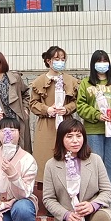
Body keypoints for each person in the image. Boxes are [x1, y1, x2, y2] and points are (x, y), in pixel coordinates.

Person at [43, 120, 111, 221]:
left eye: (79, 135)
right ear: (61, 139)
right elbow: (48, 199)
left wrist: (93, 205)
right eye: (69, 136)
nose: (75, 140)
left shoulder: (95, 160)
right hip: (70, 218)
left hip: (93, 213)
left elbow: (108, 191)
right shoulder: (51, 165)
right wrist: (66, 215)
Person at [76, 50, 111, 215]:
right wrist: (97, 115)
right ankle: (94, 199)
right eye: (99, 61)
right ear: (93, 64)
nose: (102, 64)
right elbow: (81, 106)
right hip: (93, 130)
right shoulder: (86, 83)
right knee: (93, 166)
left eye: (105, 61)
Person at [30, 45, 79, 183]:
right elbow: (33, 103)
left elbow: (77, 102)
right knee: (46, 155)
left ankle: (70, 186)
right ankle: (47, 189)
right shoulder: (39, 81)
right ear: (48, 61)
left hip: (66, 123)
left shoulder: (71, 81)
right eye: (57, 59)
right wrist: (46, 109)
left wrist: (67, 108)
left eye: (63, 59)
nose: (60, 62)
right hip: (46, 124)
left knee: (67, 154)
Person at [0, 51, 32, 153]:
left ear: (1, 62)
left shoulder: (15, 78)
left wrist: (25, 110)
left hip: (17, 120)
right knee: (0, 153)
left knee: (20, 152)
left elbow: (26, 94)